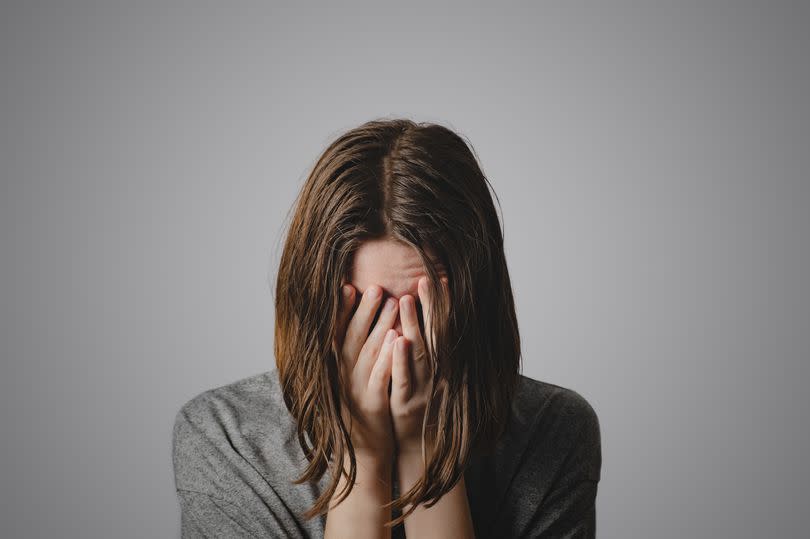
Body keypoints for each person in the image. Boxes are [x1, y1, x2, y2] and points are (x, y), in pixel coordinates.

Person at [172, 118, 602, 538]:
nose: (399, 346)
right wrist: (363, 457)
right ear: (317, 306)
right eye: (369, 313)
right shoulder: (226, 440)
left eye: (421, 310)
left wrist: (428, 449)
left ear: (474, 305)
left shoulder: (555, 431)